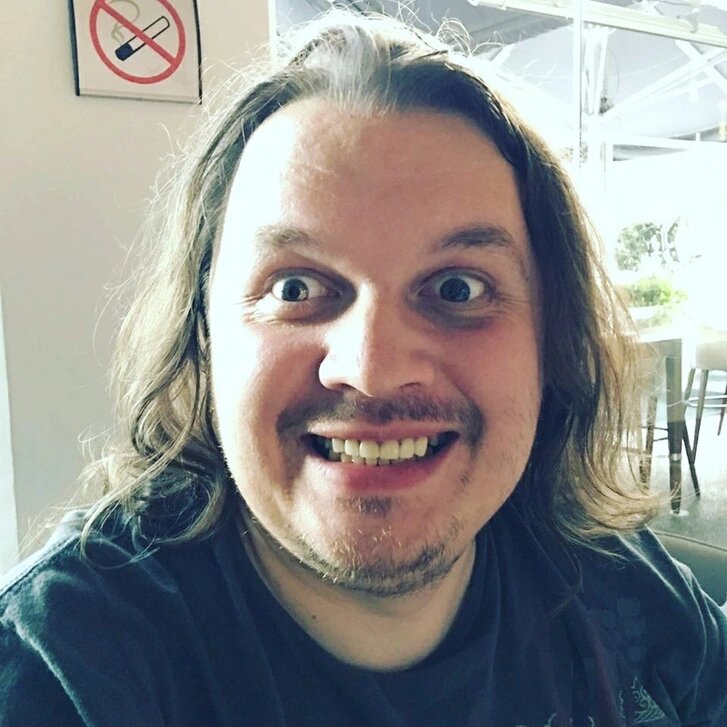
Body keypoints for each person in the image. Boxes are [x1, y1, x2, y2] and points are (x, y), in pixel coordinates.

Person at [1, 11, 725, 727]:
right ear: (203, 332)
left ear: (551, 336)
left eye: (457, 289)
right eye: (295, 288)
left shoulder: (627, 594)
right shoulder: (66, 672)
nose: (373, 370)